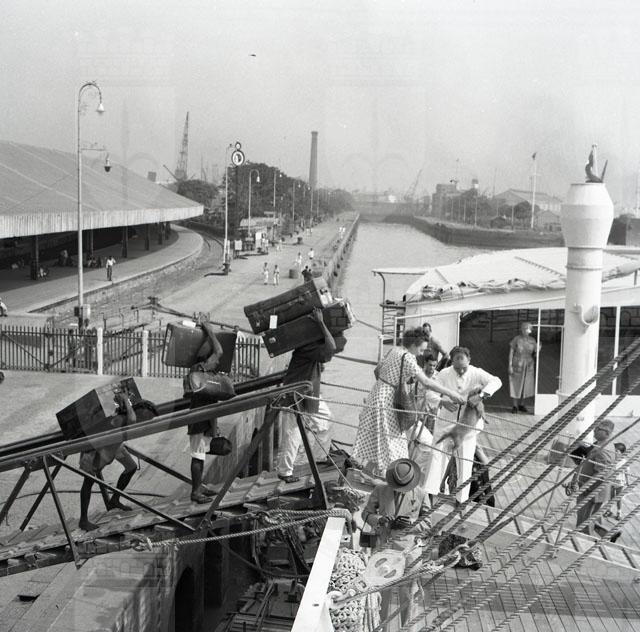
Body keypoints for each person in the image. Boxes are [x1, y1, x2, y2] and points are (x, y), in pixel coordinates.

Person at [352, 328, 465, 478]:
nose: (421, 354)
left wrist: (394, 380)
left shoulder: (395, 350)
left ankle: (368, 472)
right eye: (421, 350)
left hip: (378, 393)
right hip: (387, 401)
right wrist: (451, 393)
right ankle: (390, 478)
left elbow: (378, 370)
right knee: (393, 441)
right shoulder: (408, 358)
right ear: (413, 345)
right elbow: (426, 382)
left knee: (382, 437)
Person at [423, 346, 502, 504]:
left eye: (463, 367)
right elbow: (430, 393)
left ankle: (461, 499)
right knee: (436, 457)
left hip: (467, 427)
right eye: (457, 367)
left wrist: (481, 395)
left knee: (465, 461)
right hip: (446, 422)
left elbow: (496, 381)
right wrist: (442, 401)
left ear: (469, 360)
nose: (460, 370)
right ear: (452, 362)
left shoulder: (476, 373)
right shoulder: (444, 374)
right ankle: (429, 494)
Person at [361, 459, 431, 630]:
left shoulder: (421, 494)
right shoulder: (380, 490)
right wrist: (380, 520)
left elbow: (428, 523)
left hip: (409, 551)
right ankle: (380, 627)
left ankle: (406, 628)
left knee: (408, 594)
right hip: (384, 547)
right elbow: (366, 513)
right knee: (381, 594)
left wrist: (411, 524)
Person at [276, 309, 338, 483]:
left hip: (309, 395)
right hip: (295, 395)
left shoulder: (311, 345)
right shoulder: (307, 347)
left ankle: (318, 457)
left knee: (326, 420)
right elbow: (331, 347)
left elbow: (329, 350)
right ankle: (285, 471)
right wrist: (321, 323)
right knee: (293, 434)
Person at [78, 390, 139, 531]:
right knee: (88, 482)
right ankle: (83, 520)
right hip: (95, 451)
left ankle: (114, 500)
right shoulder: (116, 417)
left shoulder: (117, 412)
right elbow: (132, 420)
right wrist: (126, 400)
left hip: (114, 446)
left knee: (131, 467)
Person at [186, 321, 230, 503]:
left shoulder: (201, 373)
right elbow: (219, 351)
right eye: (214, 360)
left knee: (201, 454)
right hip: (199, 420)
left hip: (203, 420)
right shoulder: (199, 370)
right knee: (197, 455)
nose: (217, 361)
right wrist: (210, 331)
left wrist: (214, 425)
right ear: (206, 359)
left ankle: (199, 487)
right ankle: (195, 492)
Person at [569, 419, 616, 536]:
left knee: (583, 524)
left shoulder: (603, 449)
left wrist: (586, 488)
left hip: (591, 492)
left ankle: (585, 542)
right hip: (593, 490)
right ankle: (609, 534)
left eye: (598, 429)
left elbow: (601, 473)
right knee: (591, 520)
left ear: (607, 433)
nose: (594, 430)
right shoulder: (601, 444)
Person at [508, 322, 539, 413]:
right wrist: (510, 365)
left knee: (526, 384)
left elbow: (535, 354)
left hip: (528, 364)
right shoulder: (517, 339)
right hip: (517, 362)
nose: (526, 330)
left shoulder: (532, 340)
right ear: (521, 329)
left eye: (528, 328)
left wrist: (538, 350)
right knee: (515, 383)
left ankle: (522, 404)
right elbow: (511, 352)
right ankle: (515, 405)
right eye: (524, 328)